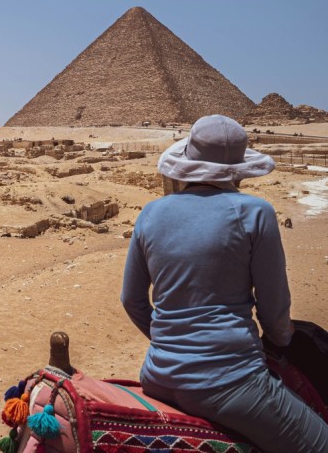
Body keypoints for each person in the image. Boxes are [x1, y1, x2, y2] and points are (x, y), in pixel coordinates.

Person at [121, 114, 328, 453]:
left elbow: (132, 300)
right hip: (232, 383)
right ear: (238, 169)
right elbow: (274, 312)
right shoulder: (255, 212)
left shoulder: (150, 213)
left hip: (157, 375)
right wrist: (282, 340)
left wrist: (170, 343)